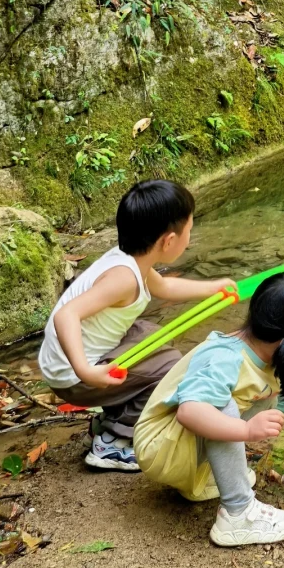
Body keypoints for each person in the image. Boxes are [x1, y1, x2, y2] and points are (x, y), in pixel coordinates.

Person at [133, 270, 284, 546]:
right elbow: (190, 411)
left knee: (267, 396)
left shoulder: (261, 355)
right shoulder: (225, 358)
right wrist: (245, 429)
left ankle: (205, 478)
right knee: (220, 406)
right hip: (160, 449)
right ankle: (238, 514)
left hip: (177, 448)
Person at [37, 179, 237, 472]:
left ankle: (111, 417)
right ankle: (115, 441)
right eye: (189, 232)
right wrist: (85, 372)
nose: (189, 240)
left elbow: (164, 287)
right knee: (172, 369)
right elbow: (66, 315)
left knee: (152, 335)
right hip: (74, 376)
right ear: (168, 241)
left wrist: (213, 288)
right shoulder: (123, 278)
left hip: (73, 358)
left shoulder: (131, 260)